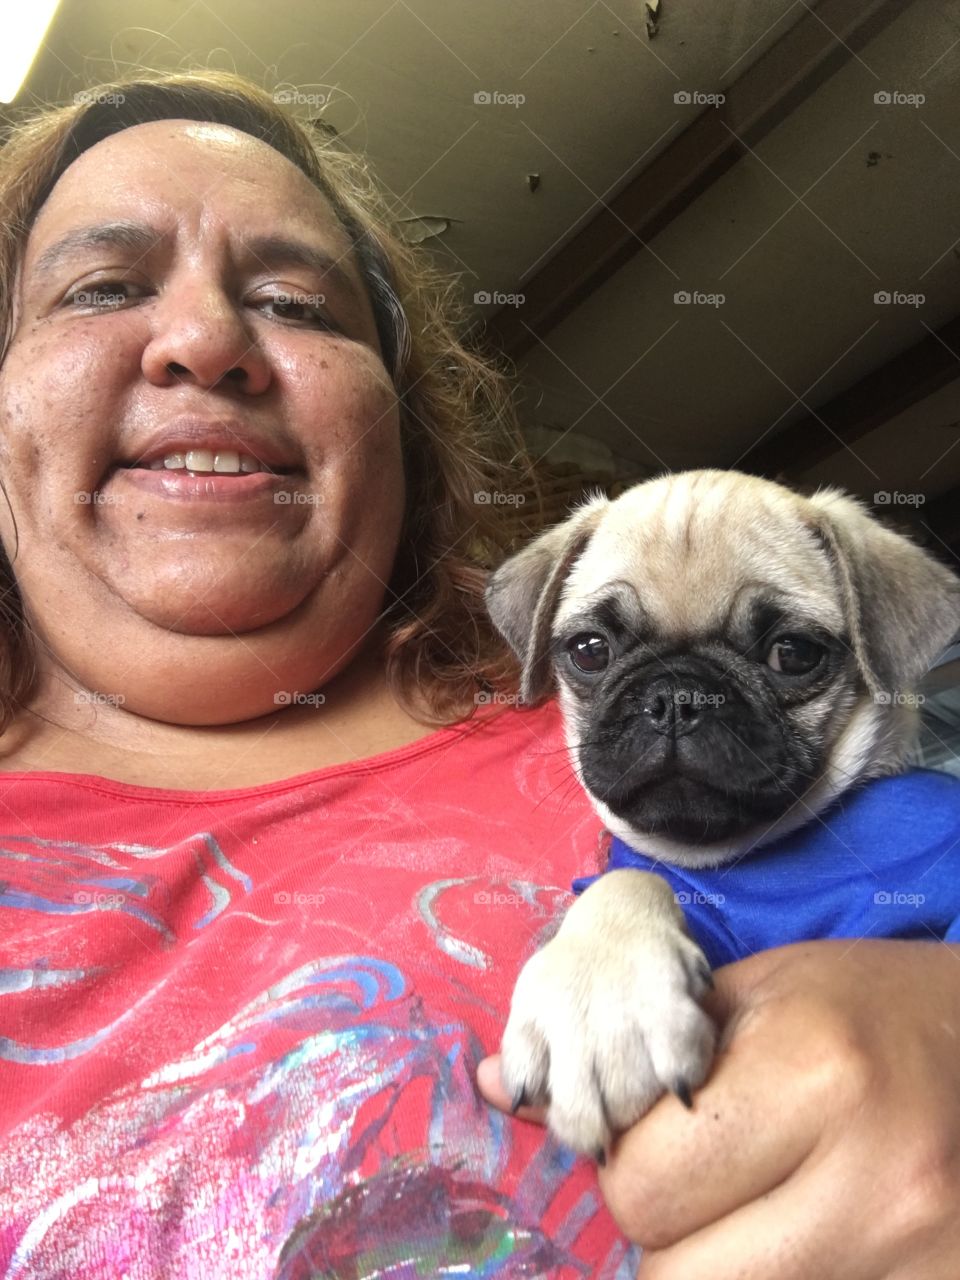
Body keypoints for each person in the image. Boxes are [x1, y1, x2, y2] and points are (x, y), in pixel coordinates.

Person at [0, 69, 956, 1280]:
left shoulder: (597, 730)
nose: (203, 341)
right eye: (102, 286)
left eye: (296, 302)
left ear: (400, 421)